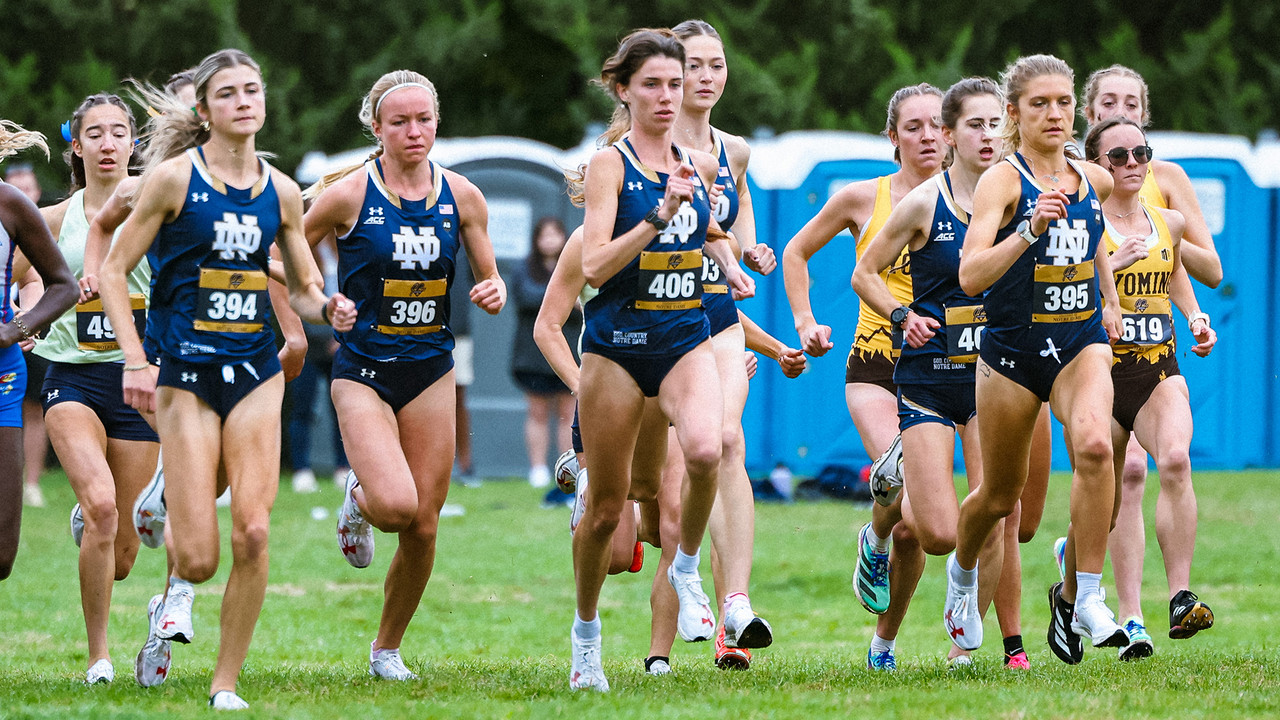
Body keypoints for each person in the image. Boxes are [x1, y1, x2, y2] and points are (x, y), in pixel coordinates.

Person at [99, 49, 353, 710]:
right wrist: (134, 359)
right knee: (202, 557)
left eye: (252, 90)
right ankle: (168, 602)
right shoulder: (172, 181)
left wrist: (325, 308)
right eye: (230, 93)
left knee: (255, 531)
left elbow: (299, 288)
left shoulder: (284, 192)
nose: (245, 101)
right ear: (205, 110)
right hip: (184, 375)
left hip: (255, 371)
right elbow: (111, 270)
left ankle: (224, 683)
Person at [303, 69, 505, 681]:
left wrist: (491, 290)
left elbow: (486, 273)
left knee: (423, 521)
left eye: (424, 120)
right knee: (395, 507)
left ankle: (385, 649)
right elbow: (282, 253)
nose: (414, 132)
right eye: (400, 122)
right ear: (377, 127)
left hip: (429, 369)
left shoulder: (464, 196)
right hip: (362, 368)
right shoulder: (345, 195)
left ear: (437, 122)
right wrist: (320, 302)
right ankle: (358, 500)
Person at [567, 28, 753, 691]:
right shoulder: (610, 167)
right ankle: (586, 634)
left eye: (675, 83)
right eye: (653, 84)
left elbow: (707, 230)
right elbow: (594, 265)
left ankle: (686, 570)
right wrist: (657, 216)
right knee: (609, 512)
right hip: (617, 347)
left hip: (683, 337)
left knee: (708, 450)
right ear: (624, 90)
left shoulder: (701, 163)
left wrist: (730, 261)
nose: (668, 96)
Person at [947, 54, 1126, 664]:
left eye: (1064, 103)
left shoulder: (1091, 177)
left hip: (1079, 343)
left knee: (1097, 447)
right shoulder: (1004, 180)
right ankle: (964, 577)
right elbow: (970, 275)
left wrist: (1108, 297)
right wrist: (1027, 228)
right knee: (999, 499)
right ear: (1014, 114)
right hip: (1011, 352)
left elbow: (1095, 232)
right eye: (1040, 104)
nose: (1055, 114)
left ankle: (1089, 598)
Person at [851, 77, 1010, 669]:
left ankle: (963, 646)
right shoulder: (924, 203)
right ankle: (880, 542)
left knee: (995, 509)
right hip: (927, 381)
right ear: (949, 136)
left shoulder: (1018, 200)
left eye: (997, 124)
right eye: (975, 125)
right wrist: (900, 314)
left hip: (995, 380)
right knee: (939, 532)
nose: (988, 136)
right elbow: (865, 273)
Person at [782, 82, 941, 661]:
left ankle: (884, 638)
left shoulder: (975, 198)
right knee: (901, 473)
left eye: (936, 124)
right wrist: (805, 321)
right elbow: (797, 252)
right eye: (914, 126)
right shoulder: (861, 198)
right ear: (892, 136)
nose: (927, 135)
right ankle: (874, 534)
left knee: (916, 528)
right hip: (875, 366)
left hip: (947, 371)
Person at [1080, 65, 1224, 657]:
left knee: (1169, 462)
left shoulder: (1167, 203)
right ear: (1090, 118)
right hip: (1093, 367)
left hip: (1157, 360)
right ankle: (1089, 585)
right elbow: (1055, 283)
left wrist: (1194, 315)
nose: (1134, 158)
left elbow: (1188, 269)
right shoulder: (1073, 204)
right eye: (1110, 104)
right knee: (1111, 487)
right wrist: (1113, 267)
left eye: (1142, 148)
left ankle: (1171, 601)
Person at [28, 93, 160, 685]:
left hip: (139, 383)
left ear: (133, 143)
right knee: (103, 506)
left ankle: (96, 527)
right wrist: (27, 318)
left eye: (119, 133)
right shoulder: (55, 218)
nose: (109, 144)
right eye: (95, 134)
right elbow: (26, 279)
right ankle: (98, 656)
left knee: (125, 556)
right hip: (72, 378)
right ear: (75, 146)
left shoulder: (162, 206)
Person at [671, 18, 782, 670]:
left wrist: (752, 254)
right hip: (654, 323)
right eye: (694, 65)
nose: (706, 76)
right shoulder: (633, 150)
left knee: (726, 442)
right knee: (637, 501)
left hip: (716, 316)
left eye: (716, 65)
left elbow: (737, 234)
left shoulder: (733, 150)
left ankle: (734, 607)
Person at [0, 120, 78, 580]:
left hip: (3, 375)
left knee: (3, 556)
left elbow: (62, 285)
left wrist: (16, 328)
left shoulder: (11, 204)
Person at [510, 216, 577, 489]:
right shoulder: (523, 268)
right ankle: (537, 469)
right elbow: (526, 297)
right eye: (544, 235)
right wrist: (563, 298)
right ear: (536, 239)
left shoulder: (574, 263)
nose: (550, 240)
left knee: (568, 415)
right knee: (537, 412)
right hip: (532, 356)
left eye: (555, 234)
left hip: (568, 351)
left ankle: (567, 469)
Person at [4, 162, 51, 509]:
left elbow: (33, 279)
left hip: (11, 339)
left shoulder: (28, 224)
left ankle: (30, 483)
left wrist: (27, 319)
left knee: (33, 408)